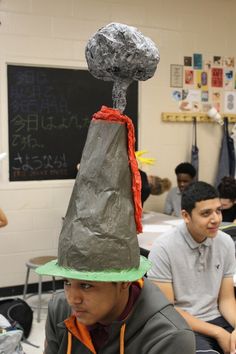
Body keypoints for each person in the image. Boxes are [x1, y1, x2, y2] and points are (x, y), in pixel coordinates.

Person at [36, 23, 195, 353]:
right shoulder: (60, 312)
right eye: (68, 282)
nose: (72, 298)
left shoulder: (168, 336)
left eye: (87, 285)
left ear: (125, 279)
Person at [148, 181, 236, 354]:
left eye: (218, 211)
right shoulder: (164, 248)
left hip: (217, 318)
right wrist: (218, 333)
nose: (216, 219)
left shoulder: (225, 242)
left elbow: (226, 300)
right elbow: (168, 311)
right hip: (183, 325)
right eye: (206, 213)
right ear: (186, 216)